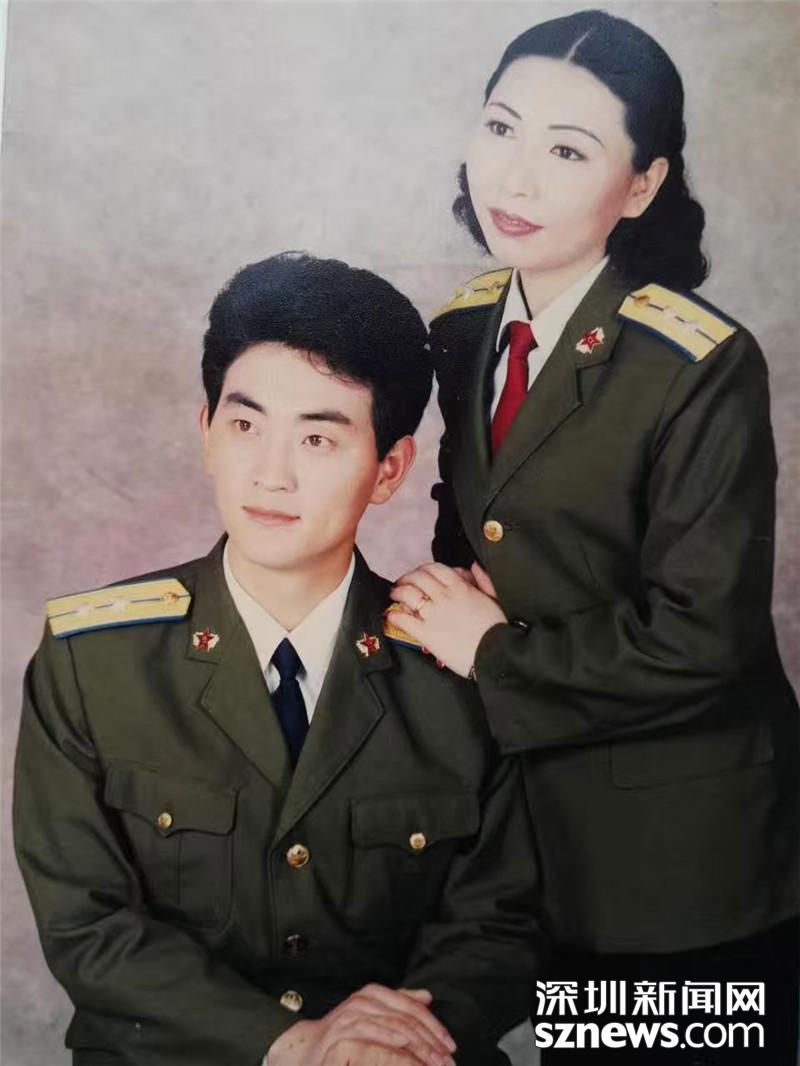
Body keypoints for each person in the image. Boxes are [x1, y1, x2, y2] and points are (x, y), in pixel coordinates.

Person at [387, 11, 799, 1065]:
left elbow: (702, 636)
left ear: (642, 185)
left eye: (568, 151)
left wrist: (490, 650)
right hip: (527, 841)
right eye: (500, 128)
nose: (515, 177)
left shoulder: (697, 363)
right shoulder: (466, 326)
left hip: (682, 861)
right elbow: (477, 538)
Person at [13, 252, 542, 1066]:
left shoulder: (459, 663)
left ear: (389, 470)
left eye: (319, 438)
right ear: (206, 433)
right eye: (245, 425)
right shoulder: (94, 661)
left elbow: (500, 924)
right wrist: (293, 1044)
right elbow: (88, 927)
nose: (271, 473)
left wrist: (388, 1046)